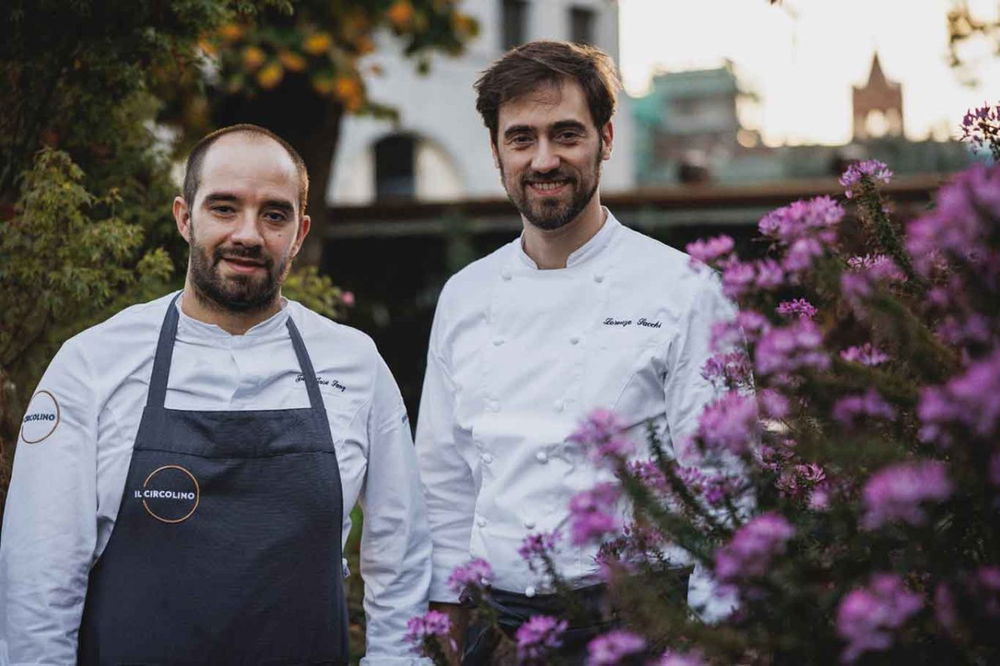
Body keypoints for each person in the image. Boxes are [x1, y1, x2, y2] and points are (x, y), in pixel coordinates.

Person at [0, 124, 431, 665]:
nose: (248, 234)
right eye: (224, 208)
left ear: (299, 233)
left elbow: (403, 556)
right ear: (185, 216)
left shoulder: (355, 364)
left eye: (274, 214)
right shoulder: (93, 364)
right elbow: (39, 576)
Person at [414, 41, 737, 663]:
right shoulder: (465, 295)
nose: (544, 159)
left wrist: (715, 631)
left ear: (606, 138)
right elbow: (445, 478)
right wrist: (444, 617)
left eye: (566, 134)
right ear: (495, 151)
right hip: (496, 627)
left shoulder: (685, 289)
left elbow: (723, 477)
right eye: (521, 138)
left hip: (640, 620)